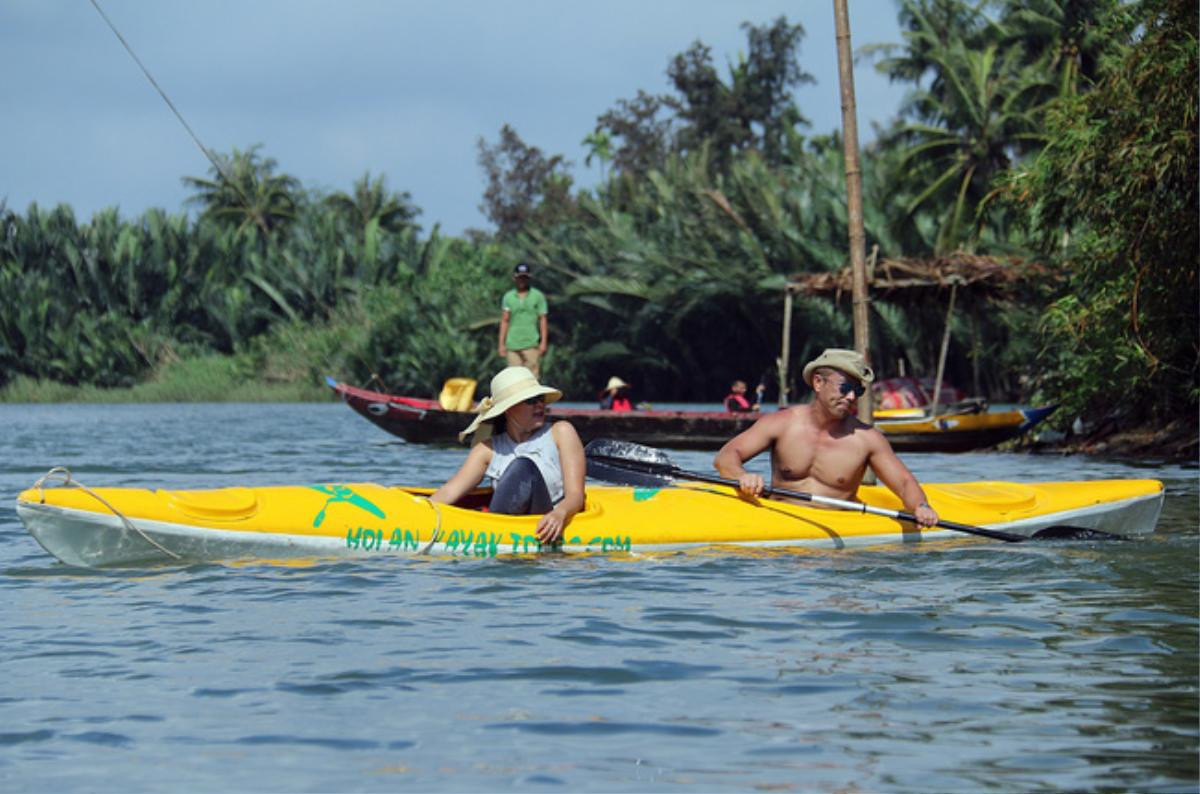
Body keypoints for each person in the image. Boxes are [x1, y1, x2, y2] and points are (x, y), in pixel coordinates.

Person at [713, 349, 939, 528]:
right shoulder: (781, 423)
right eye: (845, 388)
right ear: (818, 383)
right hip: (780, 526)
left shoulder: (867, 439)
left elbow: (904, 482)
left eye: (858, 391)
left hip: (836, 538)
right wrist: (743, 477)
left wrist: (921, 506)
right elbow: (726, 457)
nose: (851, 397)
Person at [431, 366, 585, 544]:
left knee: (523, 466)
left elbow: (576, 495)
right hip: (504, 527)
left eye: (540, 399)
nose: (540, 404)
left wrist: (560, 513)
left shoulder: (562, 432)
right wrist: (418, 509)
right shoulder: (486, 450)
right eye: (531, 400)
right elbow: (450, 491)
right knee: (521, 466)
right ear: (508, 409)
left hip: (548, 523)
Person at [497, 262, 549, 378]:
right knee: (515, 379)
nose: (522, 281)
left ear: (529, 278)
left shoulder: (538, 296)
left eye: (524, 278)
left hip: (531, 343)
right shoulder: (508, 297)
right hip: (512, 344)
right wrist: (501, 344)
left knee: (531, 379)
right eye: (520, 278)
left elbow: (543, 319)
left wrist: (543, 342)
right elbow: (505, 320)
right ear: (514, 278)